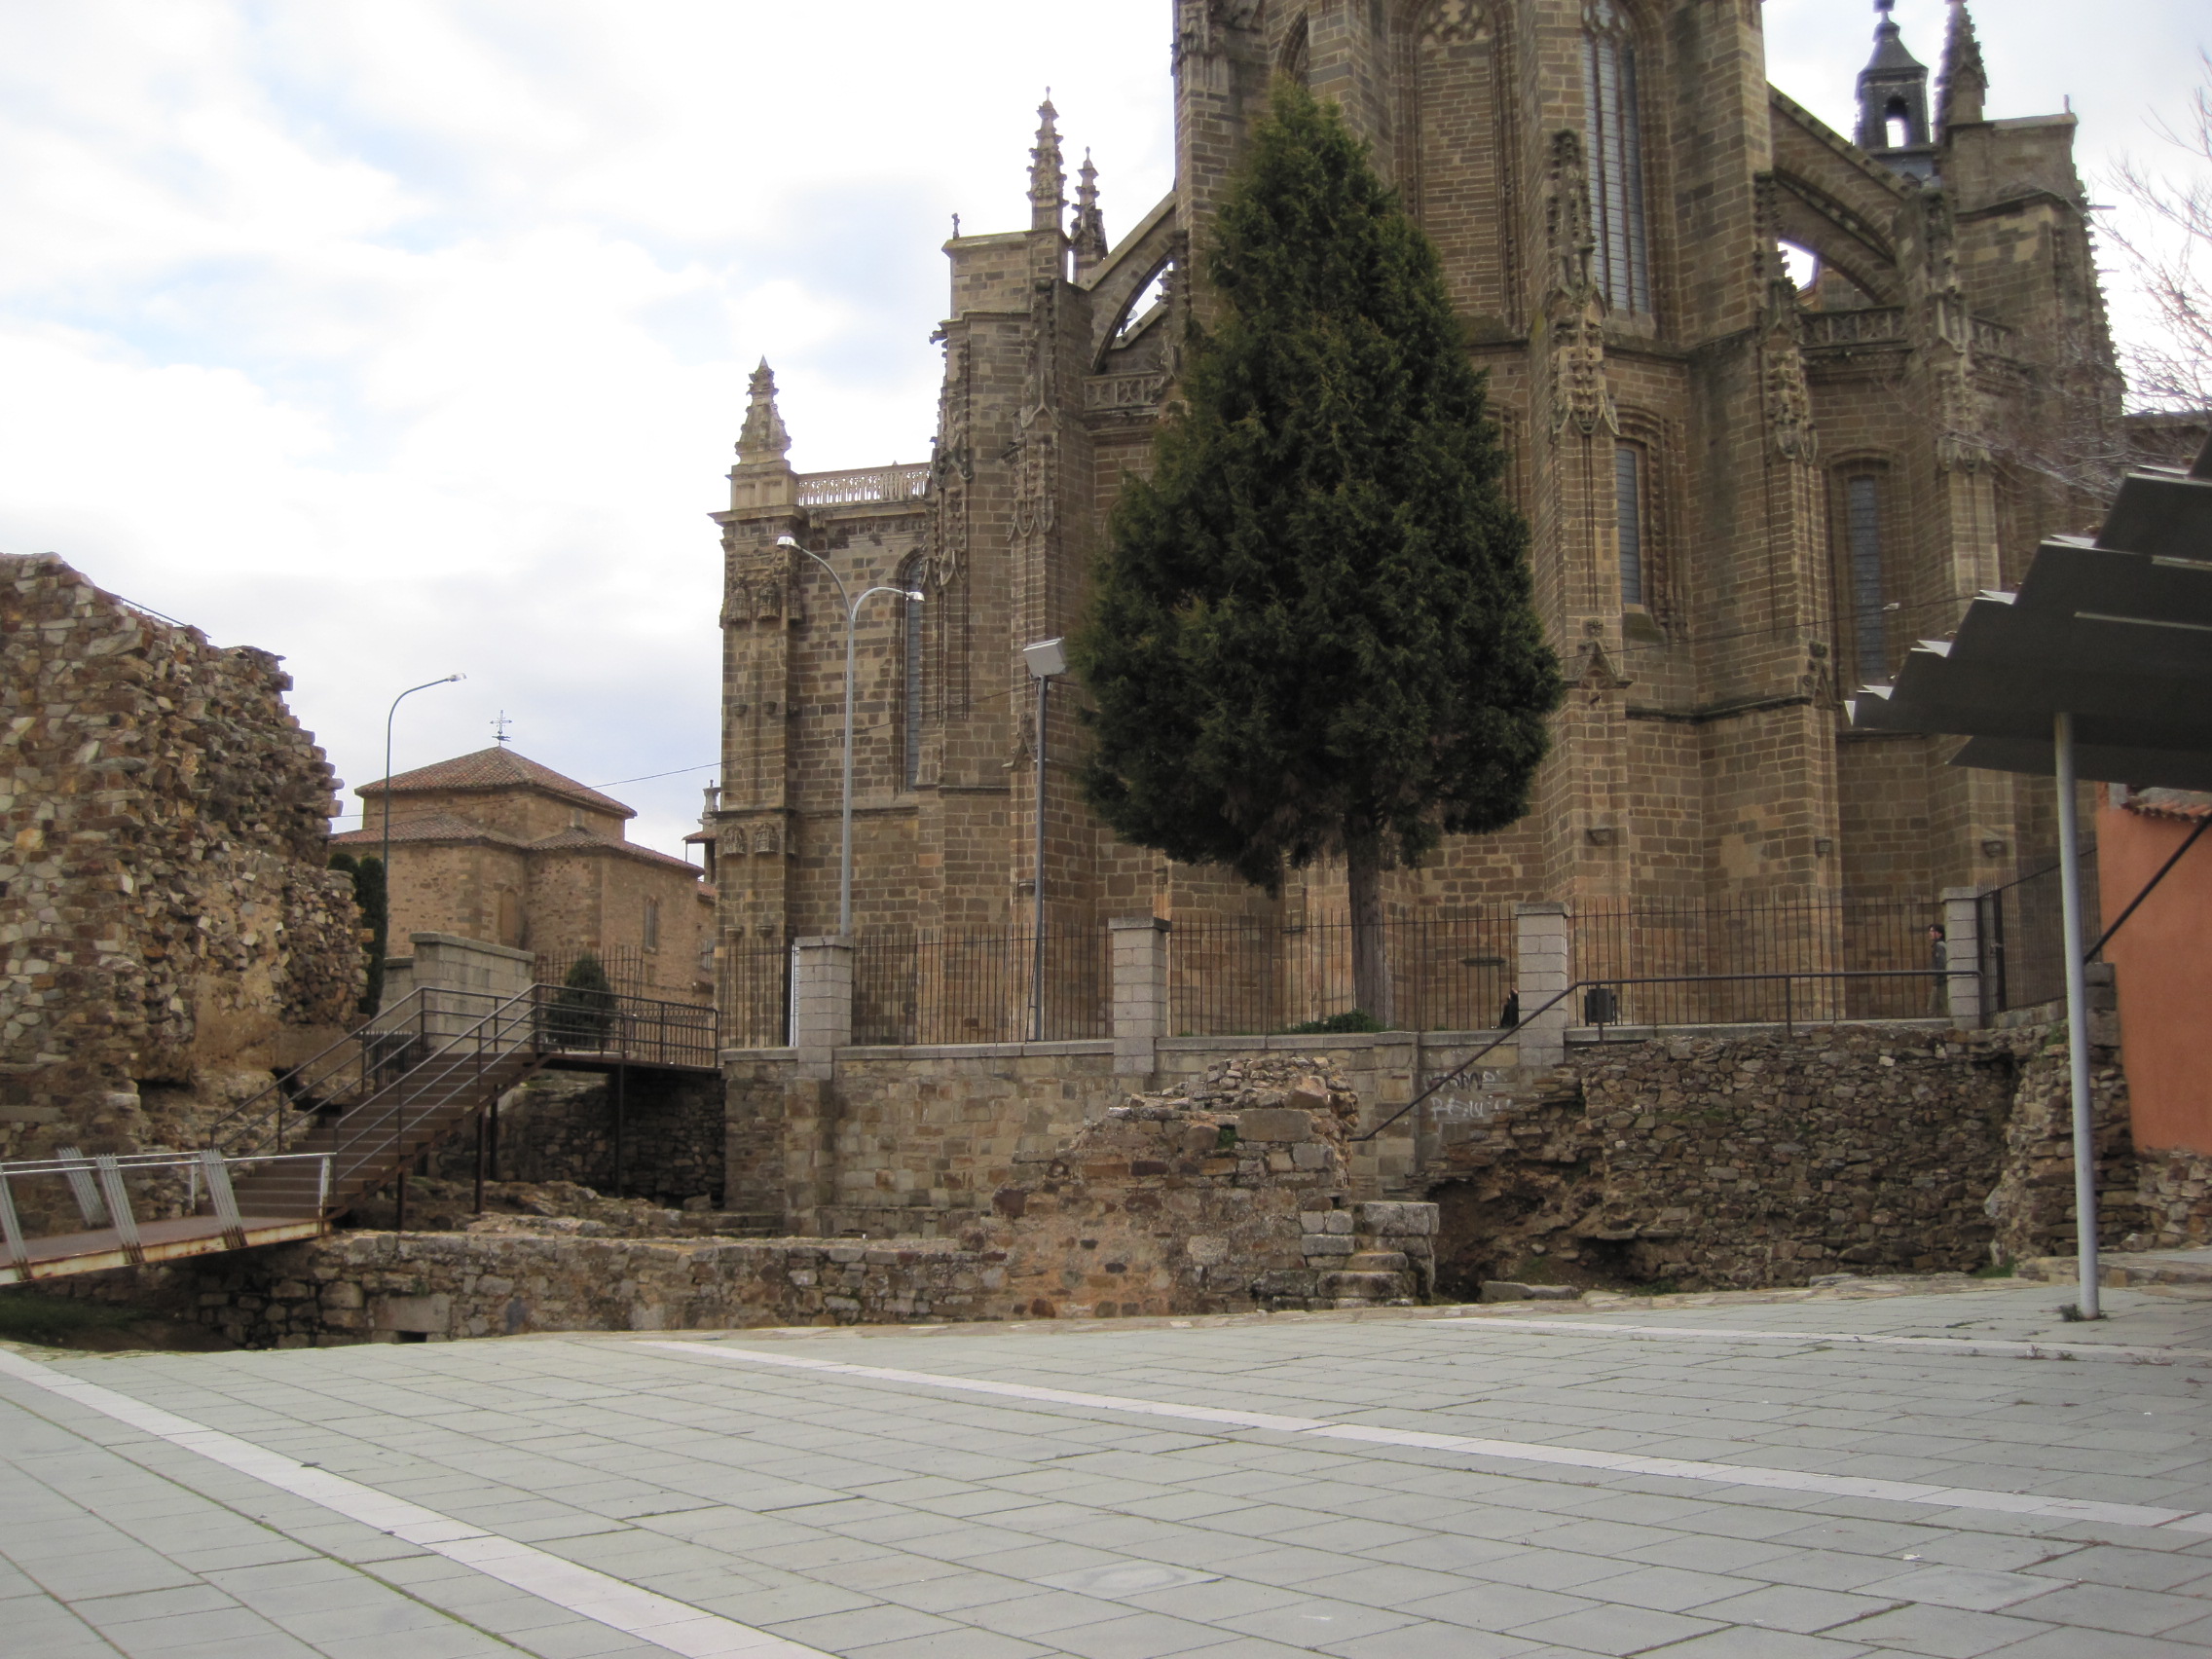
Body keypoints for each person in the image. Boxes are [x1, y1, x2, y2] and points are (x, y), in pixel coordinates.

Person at [1928, 922, 1949, 1014]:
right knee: (1933, 1008)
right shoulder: (1942, 945)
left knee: (1935, 1008)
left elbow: (1942, 963)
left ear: (1940, 934)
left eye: (1933, 931)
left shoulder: (1939, 946)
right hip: (1940, 981)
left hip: (1941, 981)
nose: (1930, 933)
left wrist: (1939, 976)